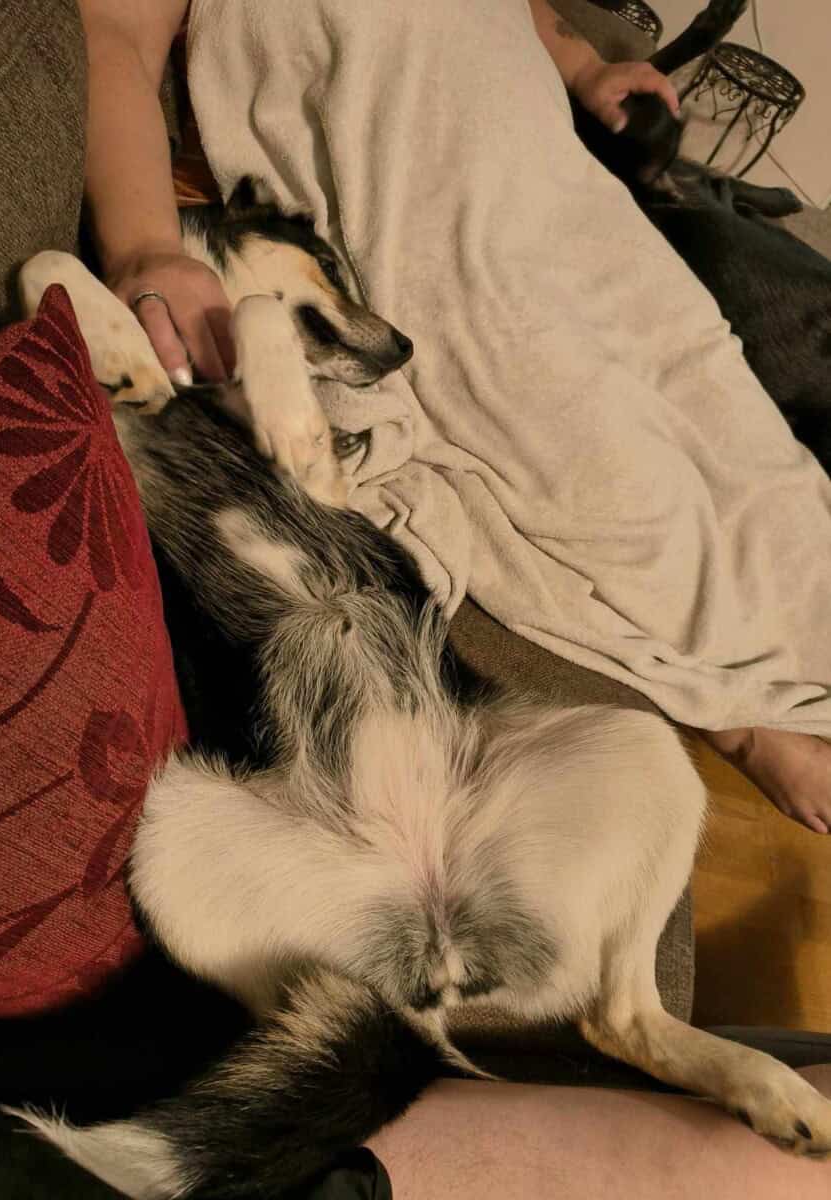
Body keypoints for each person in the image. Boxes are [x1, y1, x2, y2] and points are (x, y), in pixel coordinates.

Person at [79, 0, 831, 837]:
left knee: (740, 427)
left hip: (569, 194)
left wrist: (585, 67)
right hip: (434, 214)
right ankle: (744, 715)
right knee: (619, 481)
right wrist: (145, 247)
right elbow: (115, 36)